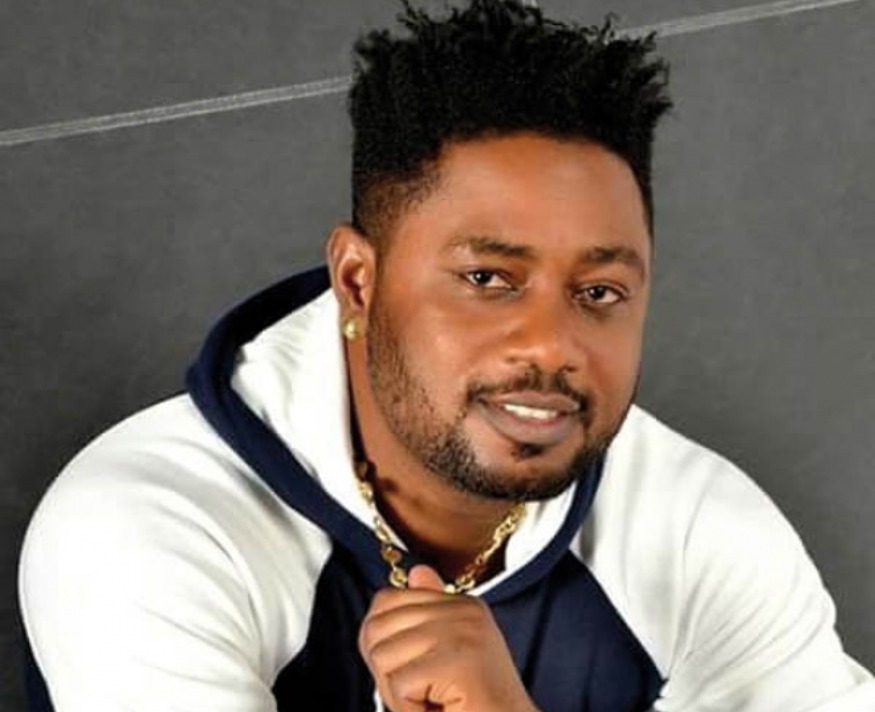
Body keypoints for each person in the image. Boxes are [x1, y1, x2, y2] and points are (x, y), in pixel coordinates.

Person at [18, 1, 875, 710]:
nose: (551, 343)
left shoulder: (700, 531)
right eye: (487, 279)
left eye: (599, 292)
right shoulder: (151, 525)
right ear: (358, 280)